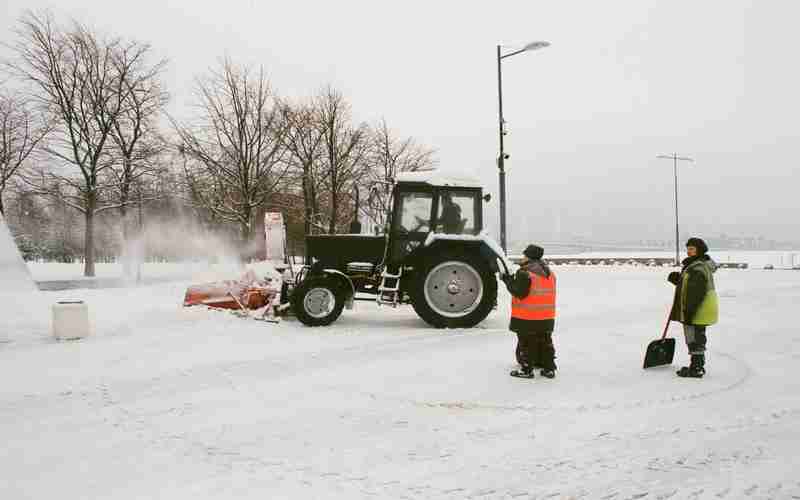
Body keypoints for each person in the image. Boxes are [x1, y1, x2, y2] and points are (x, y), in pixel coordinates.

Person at [502, 244, 557, 379]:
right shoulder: (549, 273)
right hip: (546, 316)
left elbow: (519, 293)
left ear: (529, 257)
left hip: (527, 316)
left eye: (525, 255)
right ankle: (549, 369)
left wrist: (507, 280)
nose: (523, 257)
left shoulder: (525, 273)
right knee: (546, 342)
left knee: (526, 342)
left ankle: (527, 370)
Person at [667, 237, 719, 378]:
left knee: (694, 337)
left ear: (699, 250)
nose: (689, 251)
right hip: (701, 307)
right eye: (688, 248)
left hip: (698, 308)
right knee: (697, 335)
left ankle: (696, 368)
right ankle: (697, 365)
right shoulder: (696, 265)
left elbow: (696, 292)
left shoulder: (698, 267)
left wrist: (689, 311)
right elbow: (691, 286)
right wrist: (679, 280)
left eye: (692, 249)